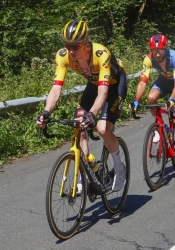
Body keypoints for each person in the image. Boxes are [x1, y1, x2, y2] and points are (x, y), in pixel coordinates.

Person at [35, 20, 128, 192]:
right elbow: (56, 88)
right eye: (67, 45)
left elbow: (103, 93)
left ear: (86, 43)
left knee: (102, 129)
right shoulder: (63, 56)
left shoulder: (101, 54)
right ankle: (86, 175)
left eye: (75, 46)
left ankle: (119, 169)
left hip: (115, 85)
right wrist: (46, 112)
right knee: (79, 124)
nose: (71, 50)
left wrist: (92, 114)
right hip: (94, 84)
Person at [131, 34, 175, 172]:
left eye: (160, 50)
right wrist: (136, 100)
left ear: (166, 48)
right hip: (163, 80)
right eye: (154, 51)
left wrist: (172, 99)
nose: (157, 54)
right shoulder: (148, 58)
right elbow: (143, 81)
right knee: (151, 98)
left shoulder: (174, 57)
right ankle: (158, 126)